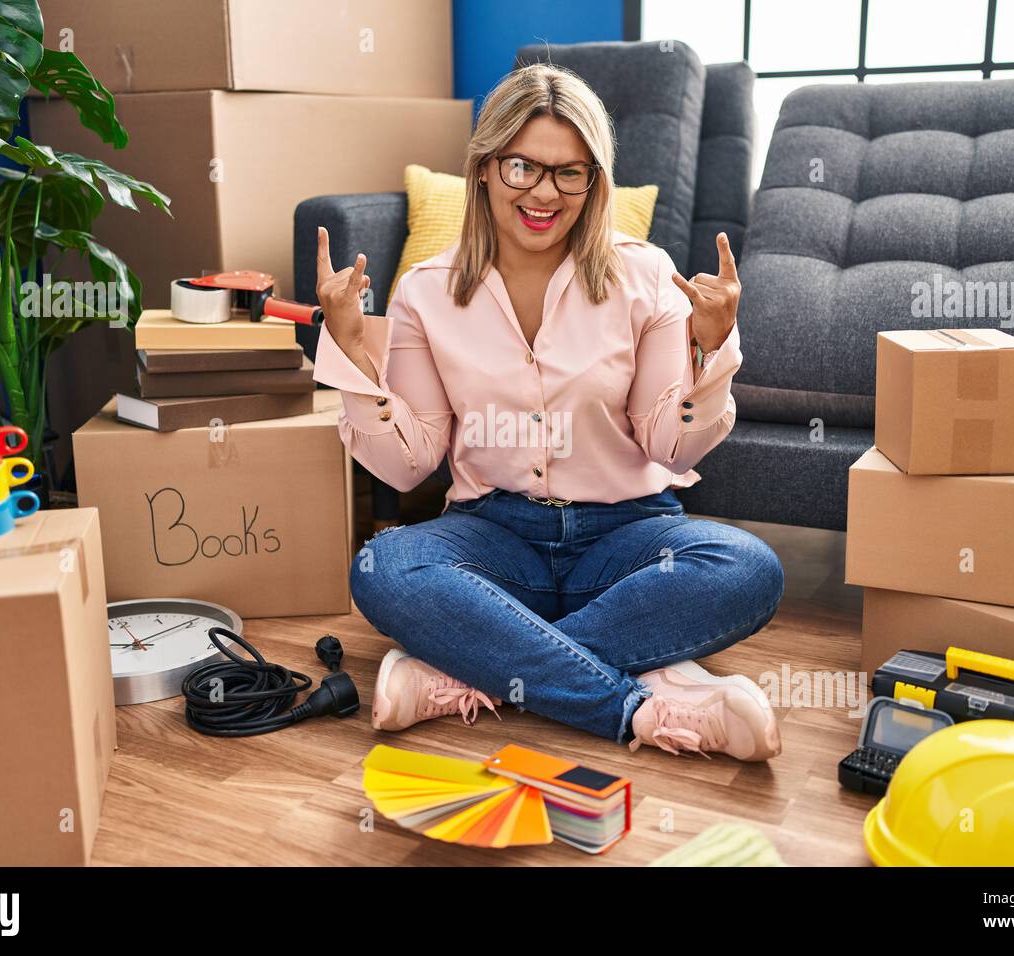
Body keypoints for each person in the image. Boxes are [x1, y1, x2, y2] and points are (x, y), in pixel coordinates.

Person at [313, 62, 784, 761]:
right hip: (492, 536)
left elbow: (670, 448)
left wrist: (709, 354)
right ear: (483, 168)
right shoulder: (426, 292)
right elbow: (409, 465)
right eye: (522, 168)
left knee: (749, 567)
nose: (545, 192)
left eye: (571, 172)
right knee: (383, 568)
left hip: (627, 534)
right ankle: (637, 705)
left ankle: (463, 667)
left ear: (595, 180)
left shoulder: (645, 275)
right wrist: (352, 353)